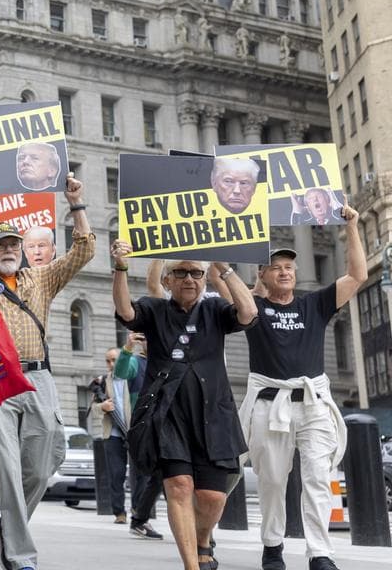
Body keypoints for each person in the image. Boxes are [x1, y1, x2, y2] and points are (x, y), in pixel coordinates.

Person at [0, 175, 93, 570]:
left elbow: (83, 251)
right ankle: (22, 555)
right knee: (2, 461)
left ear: (22, 250)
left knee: (44, 462)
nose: (7, 250)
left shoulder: (41, 278)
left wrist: (75, 204)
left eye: (13, 244)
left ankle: (9, 525)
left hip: (39, 378)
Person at [112, 243, 258, 570]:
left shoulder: (216, 309)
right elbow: (126, 312)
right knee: (179, 486)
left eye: (196, 273)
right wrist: (120, 267)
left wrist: (223, 265)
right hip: (168, 416)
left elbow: (248, 314)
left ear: (205, 279)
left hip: (213, 416)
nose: (189, 278)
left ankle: (203, 539)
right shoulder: (155, 309)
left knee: (212, 497)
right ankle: (192, 565)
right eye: (180, 272)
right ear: (167, 280)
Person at [242, 211, 365, 570]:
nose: (284, 271)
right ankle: (272, 545)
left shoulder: (314, 304)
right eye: (276, 266)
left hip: (312, 405)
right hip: (270, 406)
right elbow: (225, 285)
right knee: (273, 481)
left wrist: (352, 226)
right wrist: (230, 271)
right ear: (262, 274)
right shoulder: (253, 309)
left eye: (289, 267)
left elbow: (358, 275)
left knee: (317, 478)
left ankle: (319, 553)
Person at [112, 332, 165, 541]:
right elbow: (121, 371)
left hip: (167, 425)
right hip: (143, 427)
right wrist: (126, 349)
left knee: (162, 475)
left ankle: (140, 518)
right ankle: (139, 517)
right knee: (144, 475)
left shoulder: (168, 360)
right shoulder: (136, 362)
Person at [88, 348, 130, 524]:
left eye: (114, 360)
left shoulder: (131, 379)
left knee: (143, 475)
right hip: (112, 434)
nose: (111, 364)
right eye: (108, 361)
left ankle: (140, 511)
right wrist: (103, 406)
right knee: (116, 474)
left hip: (134, 432)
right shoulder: (103, 381)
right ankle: (119, 512)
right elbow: (93, 410)